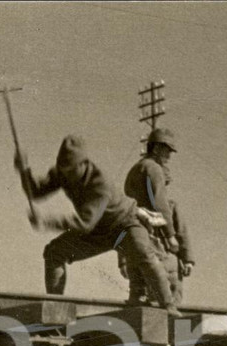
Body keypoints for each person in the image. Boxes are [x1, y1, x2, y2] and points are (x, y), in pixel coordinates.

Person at [16, 135, 178, 316]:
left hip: (124, 224)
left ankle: (168, 306)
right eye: (63, 169)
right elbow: (36, 192)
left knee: (143, 253)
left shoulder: (99, 182)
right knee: (54, 252)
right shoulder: (62, 173)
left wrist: (46, 221)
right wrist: (24, 170)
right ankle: (56, 307)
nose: (67, 175)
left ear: (83, 164)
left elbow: (84, 223)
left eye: (71, 170)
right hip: (97, 230)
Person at [121, 128, 194, 305]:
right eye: (167, 151)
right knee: (169, 296)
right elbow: (160, 203)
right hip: (159, 248)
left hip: (135, 253)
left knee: (139, 299)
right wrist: (171, 237)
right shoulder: (153, 168)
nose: (169, 156)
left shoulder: (133, 172)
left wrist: (122, 260)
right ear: (156, 149)